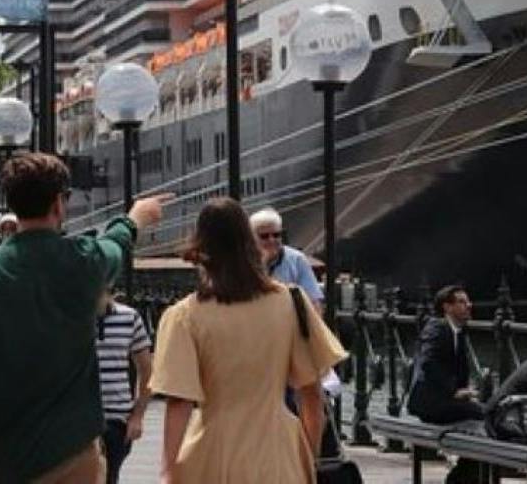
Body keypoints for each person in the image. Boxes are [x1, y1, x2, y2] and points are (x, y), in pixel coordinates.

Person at [0, 152, 170, 484]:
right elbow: (116, 246)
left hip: (5, 455)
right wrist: (134, 218)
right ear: (58, 204)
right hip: (73, 449)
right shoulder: (84, 261)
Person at [151, 197, 345, 483]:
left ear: (202, 250)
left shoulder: (183, 317)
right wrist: (309, 456)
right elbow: (311, 393)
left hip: (212, 453)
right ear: (250, 243)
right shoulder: (291, 302)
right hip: (277, 452)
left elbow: (179, 403)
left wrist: (168, 470)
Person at [95, 288, 153, 484]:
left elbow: (147, 370)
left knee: (110, 477)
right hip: (80, 420)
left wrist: (137, 416)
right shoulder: (70, 317)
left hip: (117, 419)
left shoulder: (130, 317)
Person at [407, 285, 487, 424]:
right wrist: (453, 392)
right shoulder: (437, 327)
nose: (469, 305)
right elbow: (428, 362)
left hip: (441, 400)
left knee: (482, 410)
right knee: (485, 414)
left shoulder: (457, 331)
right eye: (462, 302)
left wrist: (464, 393)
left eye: (468, 301)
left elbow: (460, 369)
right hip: (430, 404)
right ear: (447, 307)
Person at [249, 209, 325, 308]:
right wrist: (263, 263)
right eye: (264, 236)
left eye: (276, 235)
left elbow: (313, 301)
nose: (271, 240)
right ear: (251, 237)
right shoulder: (244, 260)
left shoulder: (297, 260)